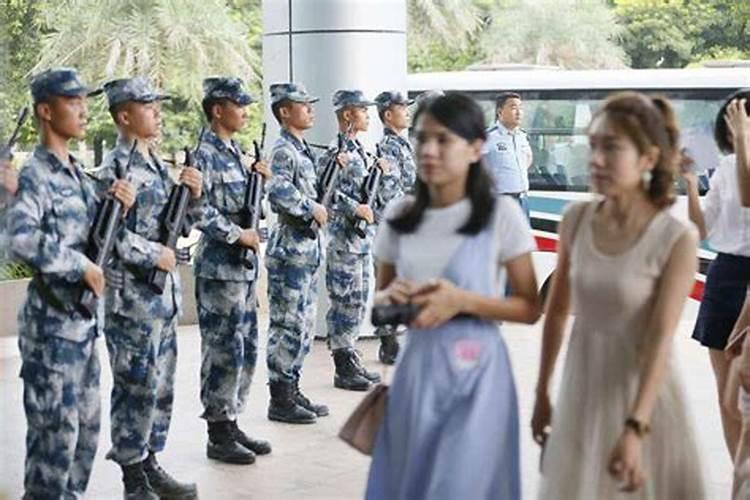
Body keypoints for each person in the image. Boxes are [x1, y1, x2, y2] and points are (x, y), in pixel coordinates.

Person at [366, 93, 540, 500]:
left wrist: (462, 301)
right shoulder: (400, 216)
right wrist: (398, 300)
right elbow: (380, 306)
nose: (428, 150)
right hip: (418, 370)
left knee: (463, 484)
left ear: (476, 147)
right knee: (413, 483)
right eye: (421, 138)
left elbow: (530, 306)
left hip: (478, 372)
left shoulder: (501, 216)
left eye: (443, 140)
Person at [532, 92, 705, 498]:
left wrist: (635, 428)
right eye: (592, 146)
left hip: (644, 399)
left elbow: (660, 339)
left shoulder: (676, 238)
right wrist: (542, 393)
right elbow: (556, 312)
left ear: (648, 158)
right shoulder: (576, 220)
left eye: (611, 147)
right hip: (582, 388)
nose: (595, 159)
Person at [7, 67, 135, 499]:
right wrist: (78, 266)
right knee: (53, 441)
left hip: (82, 327)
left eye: (84, 100)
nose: (83, 109)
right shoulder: (37, 175)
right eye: (72, 101)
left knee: (85, 434)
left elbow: (100, 240)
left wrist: (120, 206)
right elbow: (20, 239)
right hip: (51, 330)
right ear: (46, 110)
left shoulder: (80, 176)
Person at [95, 77, 203, 500]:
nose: (157, 111)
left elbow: (179, 229)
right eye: (148, 105)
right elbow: (107, 236)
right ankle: (132, 477)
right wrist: (150, 253)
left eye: (157, 104)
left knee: (160, 387)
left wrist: (193, 197)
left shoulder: (157, 165)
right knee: (134, 386)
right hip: (131, 302)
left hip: (162, 299)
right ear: (124, 115)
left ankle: (150, 460)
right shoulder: (114, 171)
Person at [192, 77, 272, 464]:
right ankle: (217, 431)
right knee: (222, 350)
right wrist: (236, 234)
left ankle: (232, 418)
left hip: (243, 270)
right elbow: (197, 209)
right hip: (219, 269)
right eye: (238, 105)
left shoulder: (237, 153)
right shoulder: (203, 155)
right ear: (217, 109)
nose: (244, 111)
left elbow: (251, 209)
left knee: (244, 348)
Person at [684, 89, 750, 459]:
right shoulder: (725, 167)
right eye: (732, 120)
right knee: (727, 398)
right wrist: (691, 184)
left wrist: (745, 139)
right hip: (725, 275)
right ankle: (739, 476)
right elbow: (701, 227)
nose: (735, 125)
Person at [265, 82, 330, 424]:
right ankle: (280, 397)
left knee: (303, 324)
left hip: (306, 249)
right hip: (290, 248)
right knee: (287, 323)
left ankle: (292, 386)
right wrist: (310, 206)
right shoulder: (283, 150)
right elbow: (277, 191)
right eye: (303, 105)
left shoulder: (302, 148)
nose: (310, 109)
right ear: (285, 111)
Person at [322, 89, 394, 391]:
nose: (367, 115)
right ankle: (342, 364)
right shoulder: (335, 151)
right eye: (362, 110)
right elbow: (325, 192)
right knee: (344, 302)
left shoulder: (361, 149)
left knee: (357, 301)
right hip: (343, 239)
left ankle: (350, 357)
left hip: (362, 241)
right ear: (348, 114)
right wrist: (356, 208)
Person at [372, 90, 416, 365]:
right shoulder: (388, 147)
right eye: (402, 108)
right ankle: (388, 343)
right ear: (388, 115)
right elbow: (390, 193)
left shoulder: (403, 144)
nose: (407, 111)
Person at [481, 92, 533, 218]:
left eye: (521, 108)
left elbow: (528, 158)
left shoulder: (521, 136)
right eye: (514, 107)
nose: (519, 112)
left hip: (522, 199)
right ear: (500, 112)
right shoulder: (489, 137)